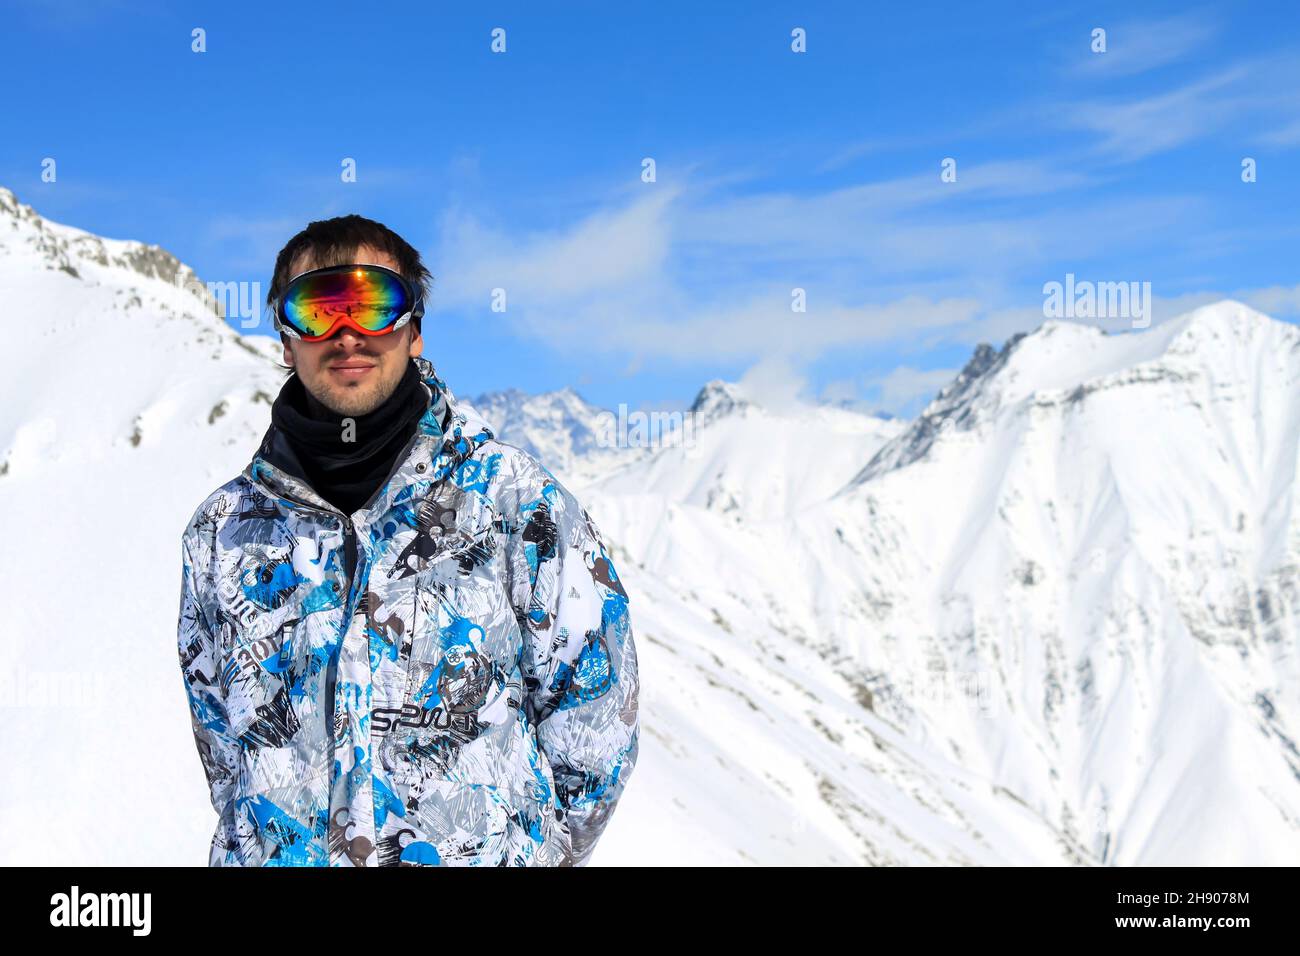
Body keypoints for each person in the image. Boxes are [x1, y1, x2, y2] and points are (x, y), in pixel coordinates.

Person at [175, 214, 640, 867]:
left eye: (372, 305)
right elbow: (223, 744)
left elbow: (595, 725)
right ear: (286, 338)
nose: (346, 334)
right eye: (317, 309)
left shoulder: (516, 504)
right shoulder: (224, 530)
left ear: (413, 329)